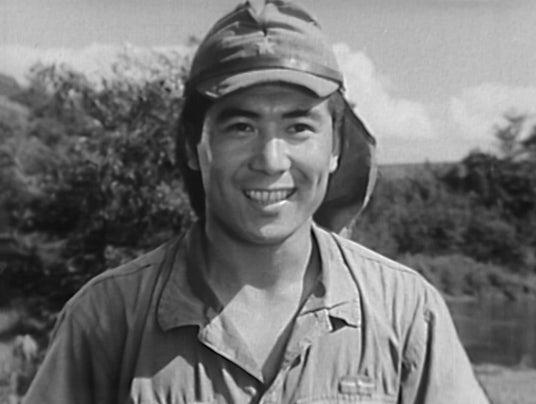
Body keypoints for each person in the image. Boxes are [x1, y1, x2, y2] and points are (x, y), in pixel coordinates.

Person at [24, 1, 490, 403]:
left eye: (298, 127)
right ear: (193, 146)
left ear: (335, 148)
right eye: (241, 127)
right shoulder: (107, 319)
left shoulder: (407, 313)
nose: (271, 160)